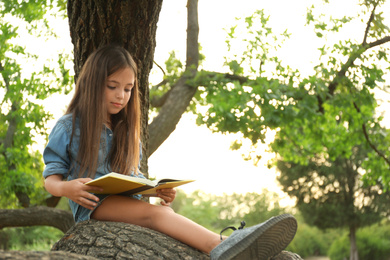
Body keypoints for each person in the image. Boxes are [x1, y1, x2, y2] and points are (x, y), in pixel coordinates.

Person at [42, 45, 297, 260]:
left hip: (126, 203)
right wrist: (68, 189)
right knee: (158, 214)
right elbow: (51, 178)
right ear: (93, 83)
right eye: (112, 86)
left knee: (165, 213)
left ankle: (227, 245)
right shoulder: (69, 126)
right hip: (93, 207)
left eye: (129, 89)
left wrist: (154, 189)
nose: (121, 95)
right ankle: (221, 245)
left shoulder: (126, 130)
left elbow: (131, 176)